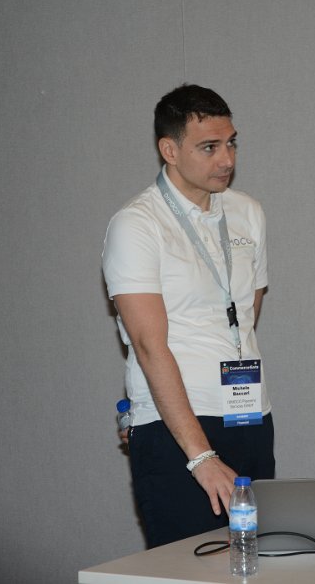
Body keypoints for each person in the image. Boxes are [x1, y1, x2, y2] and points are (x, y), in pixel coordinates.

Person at [102, 84, 275, 548]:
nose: (227, 159)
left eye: (231, 143)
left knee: (259, 562)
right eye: (209, 147)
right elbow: (148, 346)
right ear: (170, 150)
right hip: (176, 431)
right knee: (187, 568)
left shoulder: (248, 212)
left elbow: (245, 314)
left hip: (249, 415)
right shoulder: (137, 224)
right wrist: (200, 457)